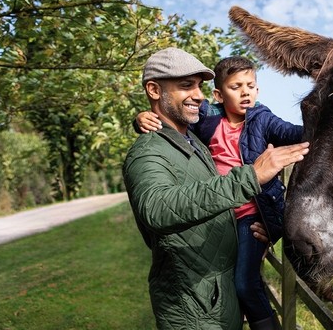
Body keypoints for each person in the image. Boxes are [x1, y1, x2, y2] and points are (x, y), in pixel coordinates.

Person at [123, 47, 309, 330]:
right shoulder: (150, 151)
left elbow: (293, 135)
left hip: (219, 299)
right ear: (154, 90)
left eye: (199, 86)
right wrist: (250, 177)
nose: (198, 95)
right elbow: (157, 209)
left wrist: (265, 224)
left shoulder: (194, 140)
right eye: (186, 86)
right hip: (193, 309)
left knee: (246, 284)